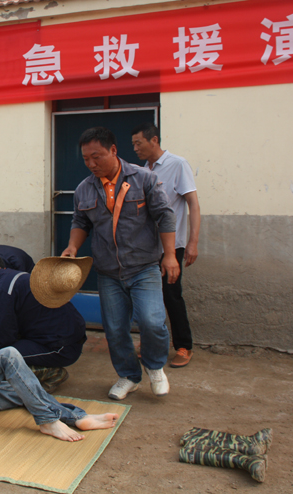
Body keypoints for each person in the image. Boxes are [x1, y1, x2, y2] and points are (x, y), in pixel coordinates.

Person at [61, 126, 179, 401]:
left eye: (97, 157)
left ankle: (154, 366)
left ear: (113, 150)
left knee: (152, 321)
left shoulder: (144, 179)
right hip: (108, 272)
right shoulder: (84, 189)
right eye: (86, 159)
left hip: (144, 267)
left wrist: (170, 255)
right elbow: (80, 221)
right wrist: (72, 246)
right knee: (115, 329)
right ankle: (128, 376)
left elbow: (165, 216)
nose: (91, 164)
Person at [131, 123, 200, 368]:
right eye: (133, 144)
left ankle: (184, 346)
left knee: (171, 295)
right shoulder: (142, 171)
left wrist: (192, 242)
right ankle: (151, 345)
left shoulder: (177, 164)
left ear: (154, 140)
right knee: (147, 297)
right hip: (146, 247)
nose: (135, 148)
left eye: (138, 143)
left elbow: (193, 203)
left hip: (171, 247)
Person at [0, 255, 89, 392]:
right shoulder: (13, 276)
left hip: (62, 347)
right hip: (64, 336)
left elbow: (3, 338)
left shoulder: (2, 290)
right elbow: (10, 323)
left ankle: (51, 373)